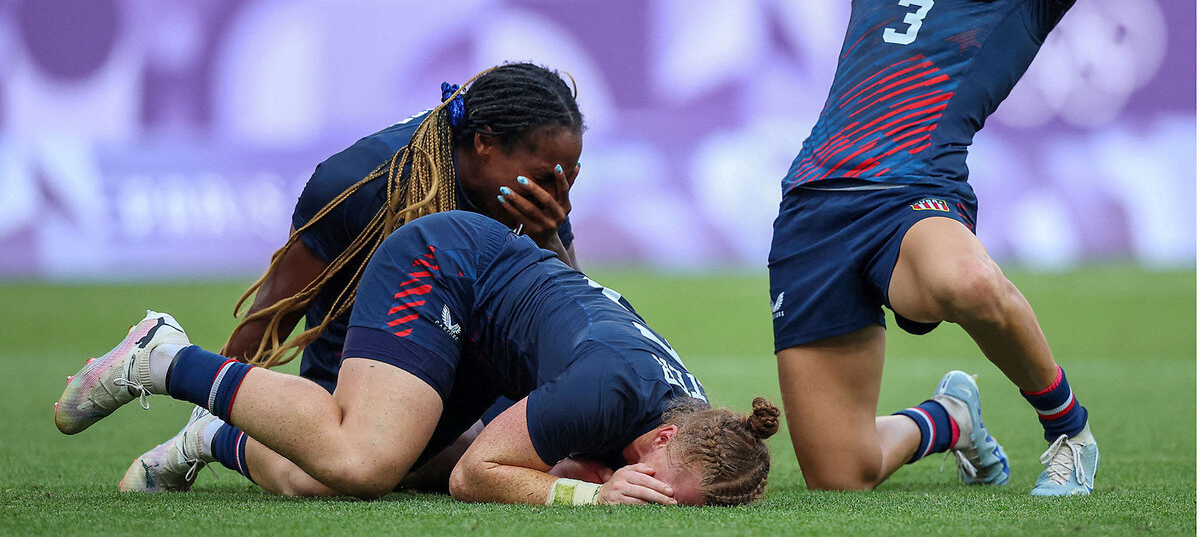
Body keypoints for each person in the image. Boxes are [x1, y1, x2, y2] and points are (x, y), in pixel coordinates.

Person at [756, 0, 1149, 496]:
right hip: (813, 210)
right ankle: (950, 418)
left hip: (914, 198)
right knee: (842, 477)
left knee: (967, 281)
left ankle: (1068, 431)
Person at [56, 210, 780, 507]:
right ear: (663, 437)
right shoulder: (608, 391)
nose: (649, 497)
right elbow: (476, 477)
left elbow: (544, 452)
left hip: (496, 349)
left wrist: (586, 471)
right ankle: (163, 357)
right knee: (363, 460)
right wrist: (593, 495)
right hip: (443, 266)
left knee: (321, 482)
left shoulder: (692, 420)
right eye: (654, 484)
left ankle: (210, 438)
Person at [121, 61, 588, 491]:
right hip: (364, 367)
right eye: (546, 178)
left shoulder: (542, 200)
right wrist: (218, 402)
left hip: (472, 373)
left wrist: (549, 238)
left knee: (555, 457)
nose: (558, 193)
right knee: (343, 474)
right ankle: (210, 438)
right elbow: (272, 315)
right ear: (484, 144)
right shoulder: (363, 181)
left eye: (568, 178)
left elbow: (579, 322)